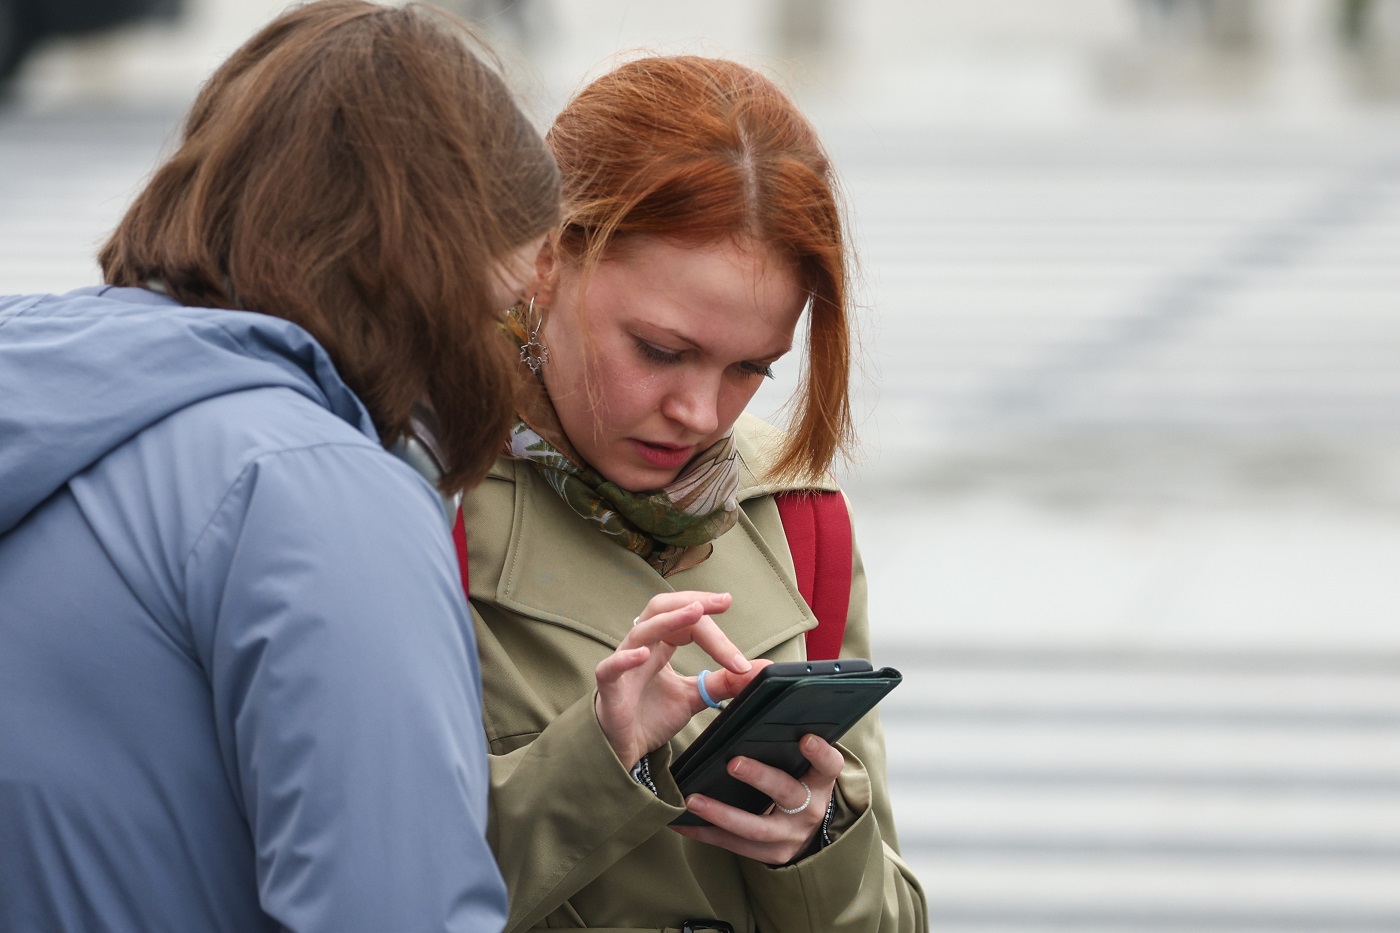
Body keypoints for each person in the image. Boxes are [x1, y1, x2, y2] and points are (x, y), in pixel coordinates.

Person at [0, 2, 558, 931]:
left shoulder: (46, 393)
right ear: (428, 264)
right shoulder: (316, 495)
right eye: (504, 314)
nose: (510, 360)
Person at [459, 55, 927, 932]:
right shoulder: (417, 495)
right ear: (549, 259)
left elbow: (895, 914)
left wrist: (818, 840)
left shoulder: (797, 515)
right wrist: (599, 762)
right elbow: (355, 888)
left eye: (752, 367)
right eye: (660, 350)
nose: (698, 412)